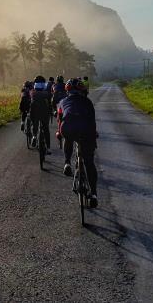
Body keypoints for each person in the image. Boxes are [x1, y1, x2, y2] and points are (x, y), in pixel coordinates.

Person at [56, 78, 98, 208]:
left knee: (68, 138)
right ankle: (94, 194)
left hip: (68, 128)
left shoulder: (62, 102)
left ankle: (67, 162)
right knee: (89, 162)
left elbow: (60, 120)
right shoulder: (87, 102)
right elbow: (92, 120)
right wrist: (94, 134)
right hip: (86, 130)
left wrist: (59, 133)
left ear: (67, 90)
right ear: (82, 90)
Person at [30, 75, 51, 153]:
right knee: (46, 129)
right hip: (45, 111)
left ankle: (34, 136)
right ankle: (48, 148)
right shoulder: (46, 93)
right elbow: (50, 103)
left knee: (34, 124)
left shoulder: (33, 93)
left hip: (34, 110)